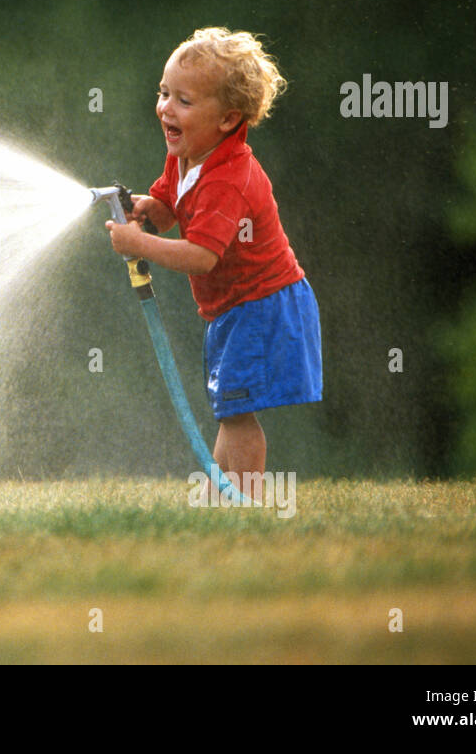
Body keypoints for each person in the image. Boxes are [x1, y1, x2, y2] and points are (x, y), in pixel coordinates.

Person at [105, 27, 322, 503]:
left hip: (263, 305)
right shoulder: (185, 155)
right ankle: (222, 499)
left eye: (183, 100)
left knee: (237, 413)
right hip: (234, 309)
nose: (166, 108)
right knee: (230, 408)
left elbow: (202, 256)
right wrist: (148, 211)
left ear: (227, 119)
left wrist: (138, 244)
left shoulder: (230, 177)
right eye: (164, 93)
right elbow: (170, 205)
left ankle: (243, 506)